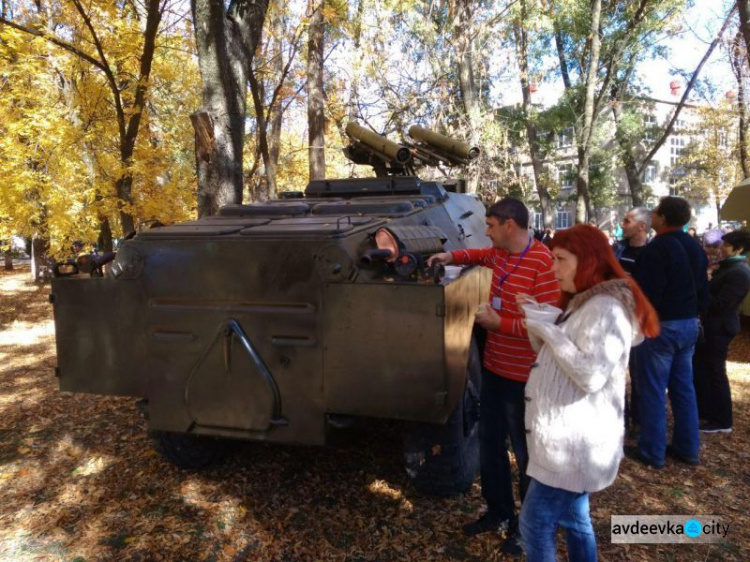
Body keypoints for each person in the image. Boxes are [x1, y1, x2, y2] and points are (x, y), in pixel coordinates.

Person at [518, 224, 660, 561]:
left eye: (560, 259)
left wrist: (547, 330)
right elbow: (559, 351)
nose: (553, 269)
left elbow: (591, 373)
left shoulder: (607, 308)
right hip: (569, 445)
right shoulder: (586, 301)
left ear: (589, 260)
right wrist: (541, 320)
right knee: (575, 518)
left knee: (534, 524)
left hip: (573, 448)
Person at [428, 198, 559, 552]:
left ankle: (528, 527)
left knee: (526, 455)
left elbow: (549, 324)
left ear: (509, 225)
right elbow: (476, 255)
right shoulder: (499, 253)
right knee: (490, 447)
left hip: (524, 378)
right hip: (494, 371)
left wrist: (502, 324)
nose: (486, 231)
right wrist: (449, 257)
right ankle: (498, 511)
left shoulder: (542, 263)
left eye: (490, 225)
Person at [630, 196, 709, 468]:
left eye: (654, 212)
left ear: (662, 218)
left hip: (663, 325)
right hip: (688, 324)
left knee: (652, 388)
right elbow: (703, 288)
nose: (651, 215)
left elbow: (648, 291)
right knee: (683, 387)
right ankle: (688, 448)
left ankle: (652, 450)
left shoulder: (658, 248)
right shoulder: (695, 247)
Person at [693, 231, 750, 433]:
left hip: (720, 329)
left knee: (716, 372)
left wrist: (702, 294)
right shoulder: (728, 268)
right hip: (711, 327)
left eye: (725, 245)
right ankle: (707, 413)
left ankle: (723, 420)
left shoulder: (739, 272)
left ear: (739, 249)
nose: (720, 248)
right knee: (704, 369)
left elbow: (721, 304)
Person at [612, 207, 650, 275]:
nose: (622, 225)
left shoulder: (653, 253)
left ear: (641, 226)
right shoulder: (616, 248)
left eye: (627, 222)